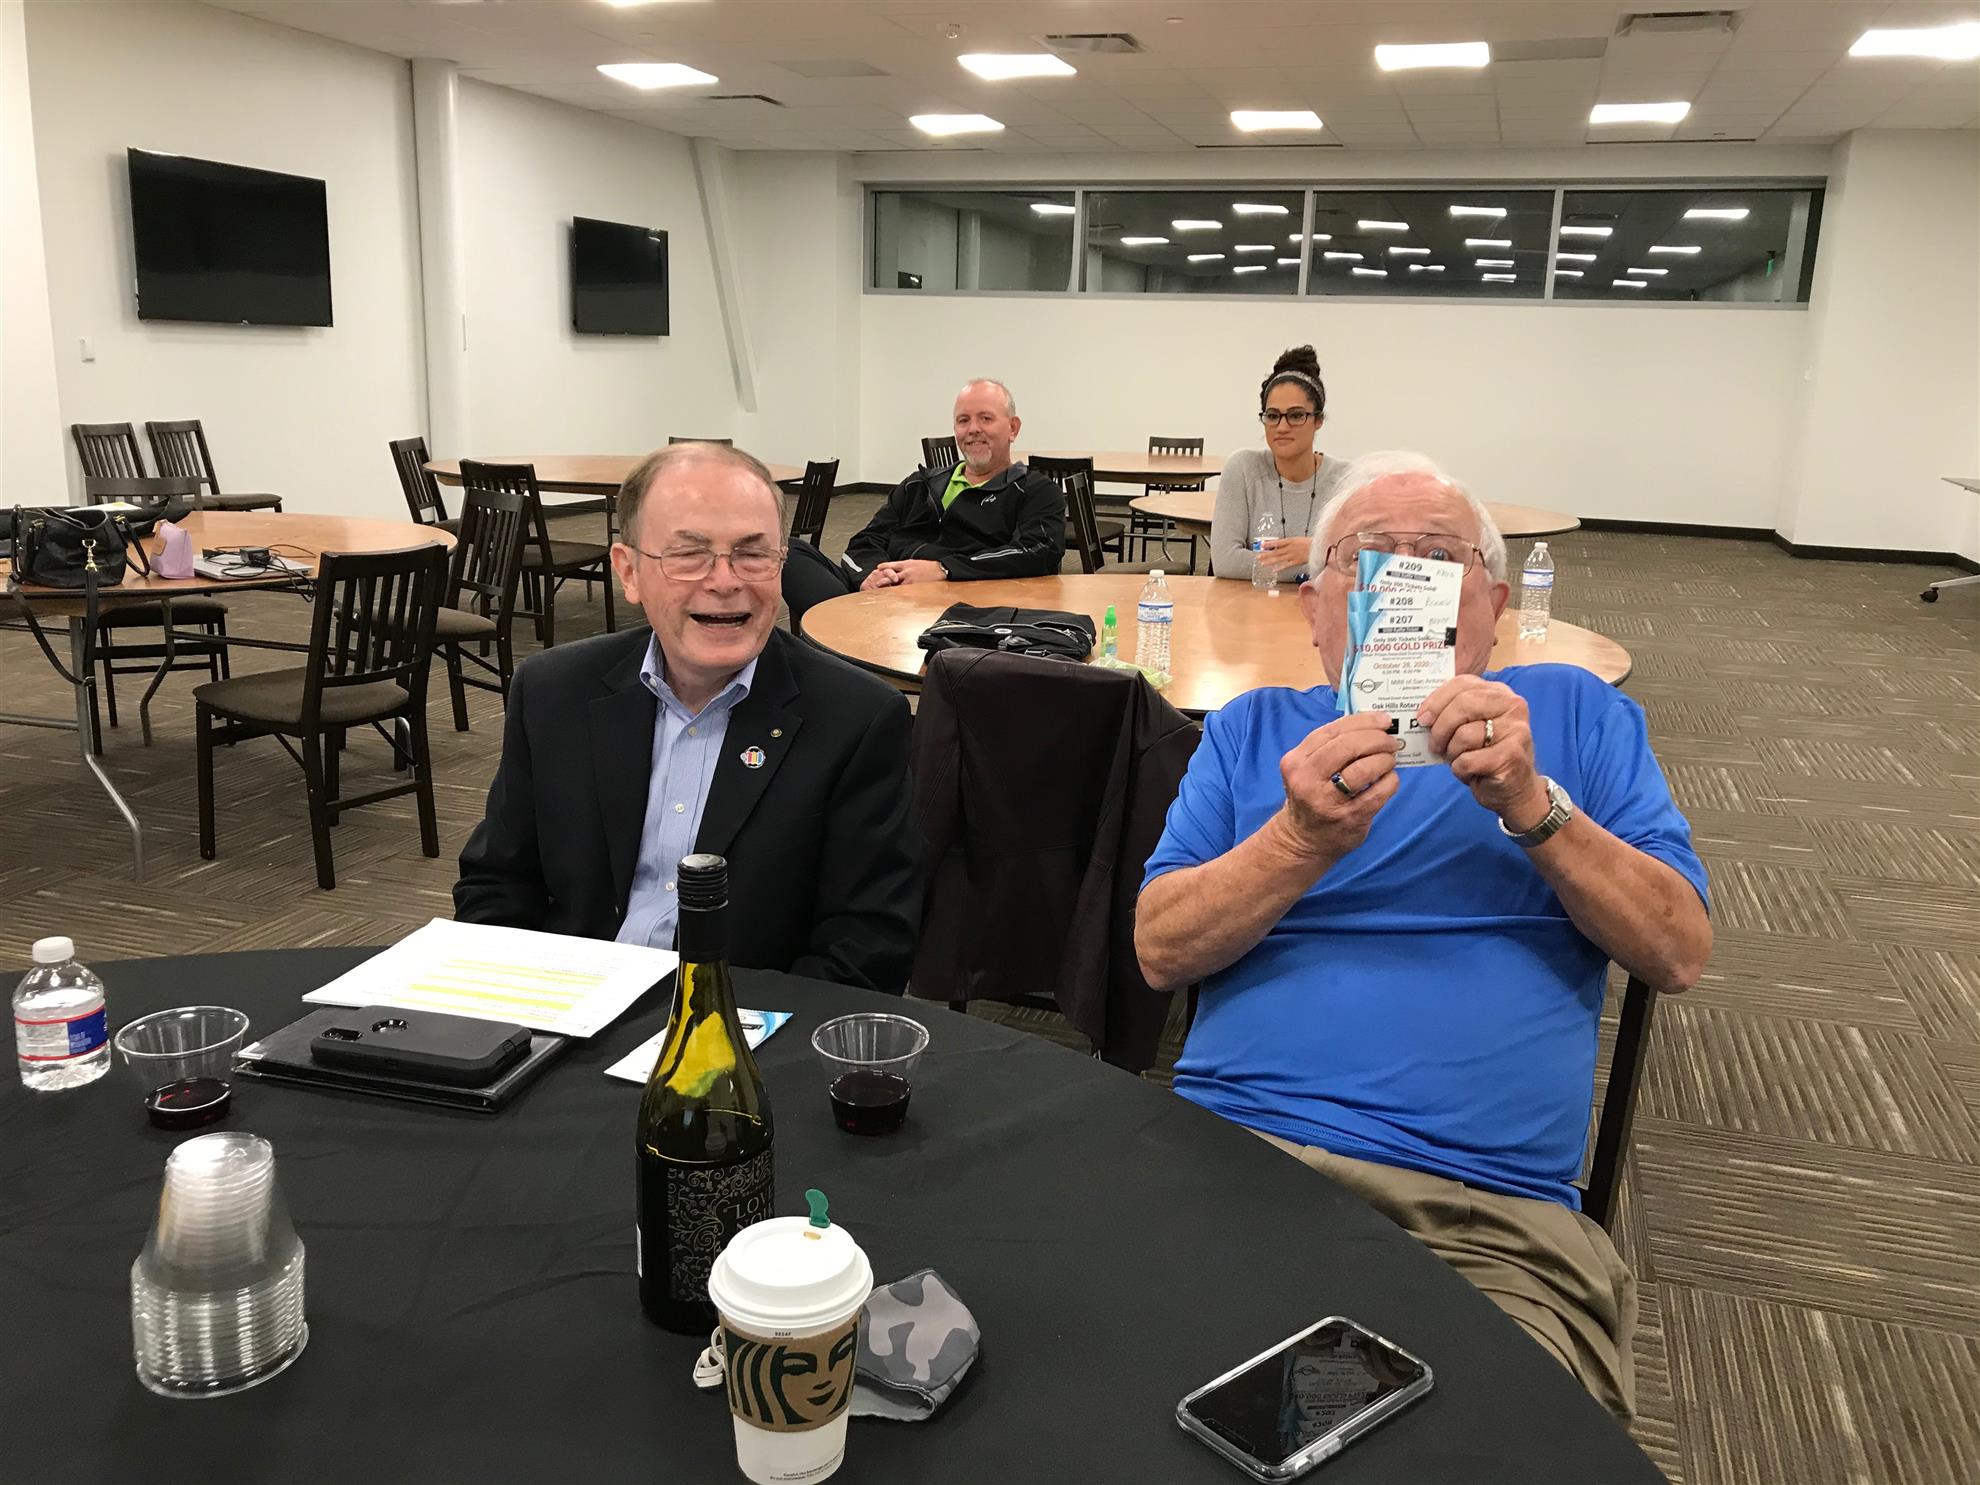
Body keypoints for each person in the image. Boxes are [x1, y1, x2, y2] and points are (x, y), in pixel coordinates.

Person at [1135, 450, 1711, 1422]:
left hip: (1481, 1214)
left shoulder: (1576, 714)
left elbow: (1678, 951)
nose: (1402, 576)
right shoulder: (1251, 727)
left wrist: (1533, 806)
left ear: (1491, 603)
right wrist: (1295, 841)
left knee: (1498, 1441)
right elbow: (1159, 951)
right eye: (1367, 555)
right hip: (1231, 1156)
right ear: (1317, 606)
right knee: (1106, 1400)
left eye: (1438, 556)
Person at [455, 443, 920, 992]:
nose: (724, 581)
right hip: (568, 1005)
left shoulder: (857, 719)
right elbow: (498, 883)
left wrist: (718, 1031)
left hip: (750, 1021)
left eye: (753, 554)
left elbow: (866, 948)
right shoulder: (553, 692)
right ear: (629, 572)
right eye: (688, 554)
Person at [842, 378, 1065, 589]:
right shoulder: (918, 485)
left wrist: (944, 569)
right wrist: (872, 575)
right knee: (816, 563)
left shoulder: (1035, 491)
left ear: (1013, 428)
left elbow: (1038, 551)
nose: (973, 429)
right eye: (963, 420)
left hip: (966, 604)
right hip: (888, 598)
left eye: (986, 418)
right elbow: (865, 541)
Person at [1211, 346, 1354, 583]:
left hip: (1323, 604)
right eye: (1273, 416)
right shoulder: (1243, 468)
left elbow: (1359, 564)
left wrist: (1313, 552)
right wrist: (1322, 556)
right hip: (1253, 604)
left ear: (1318, 420)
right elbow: (1226, 561)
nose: (1282, 427)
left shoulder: (1345, 480)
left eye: (1296, 415)